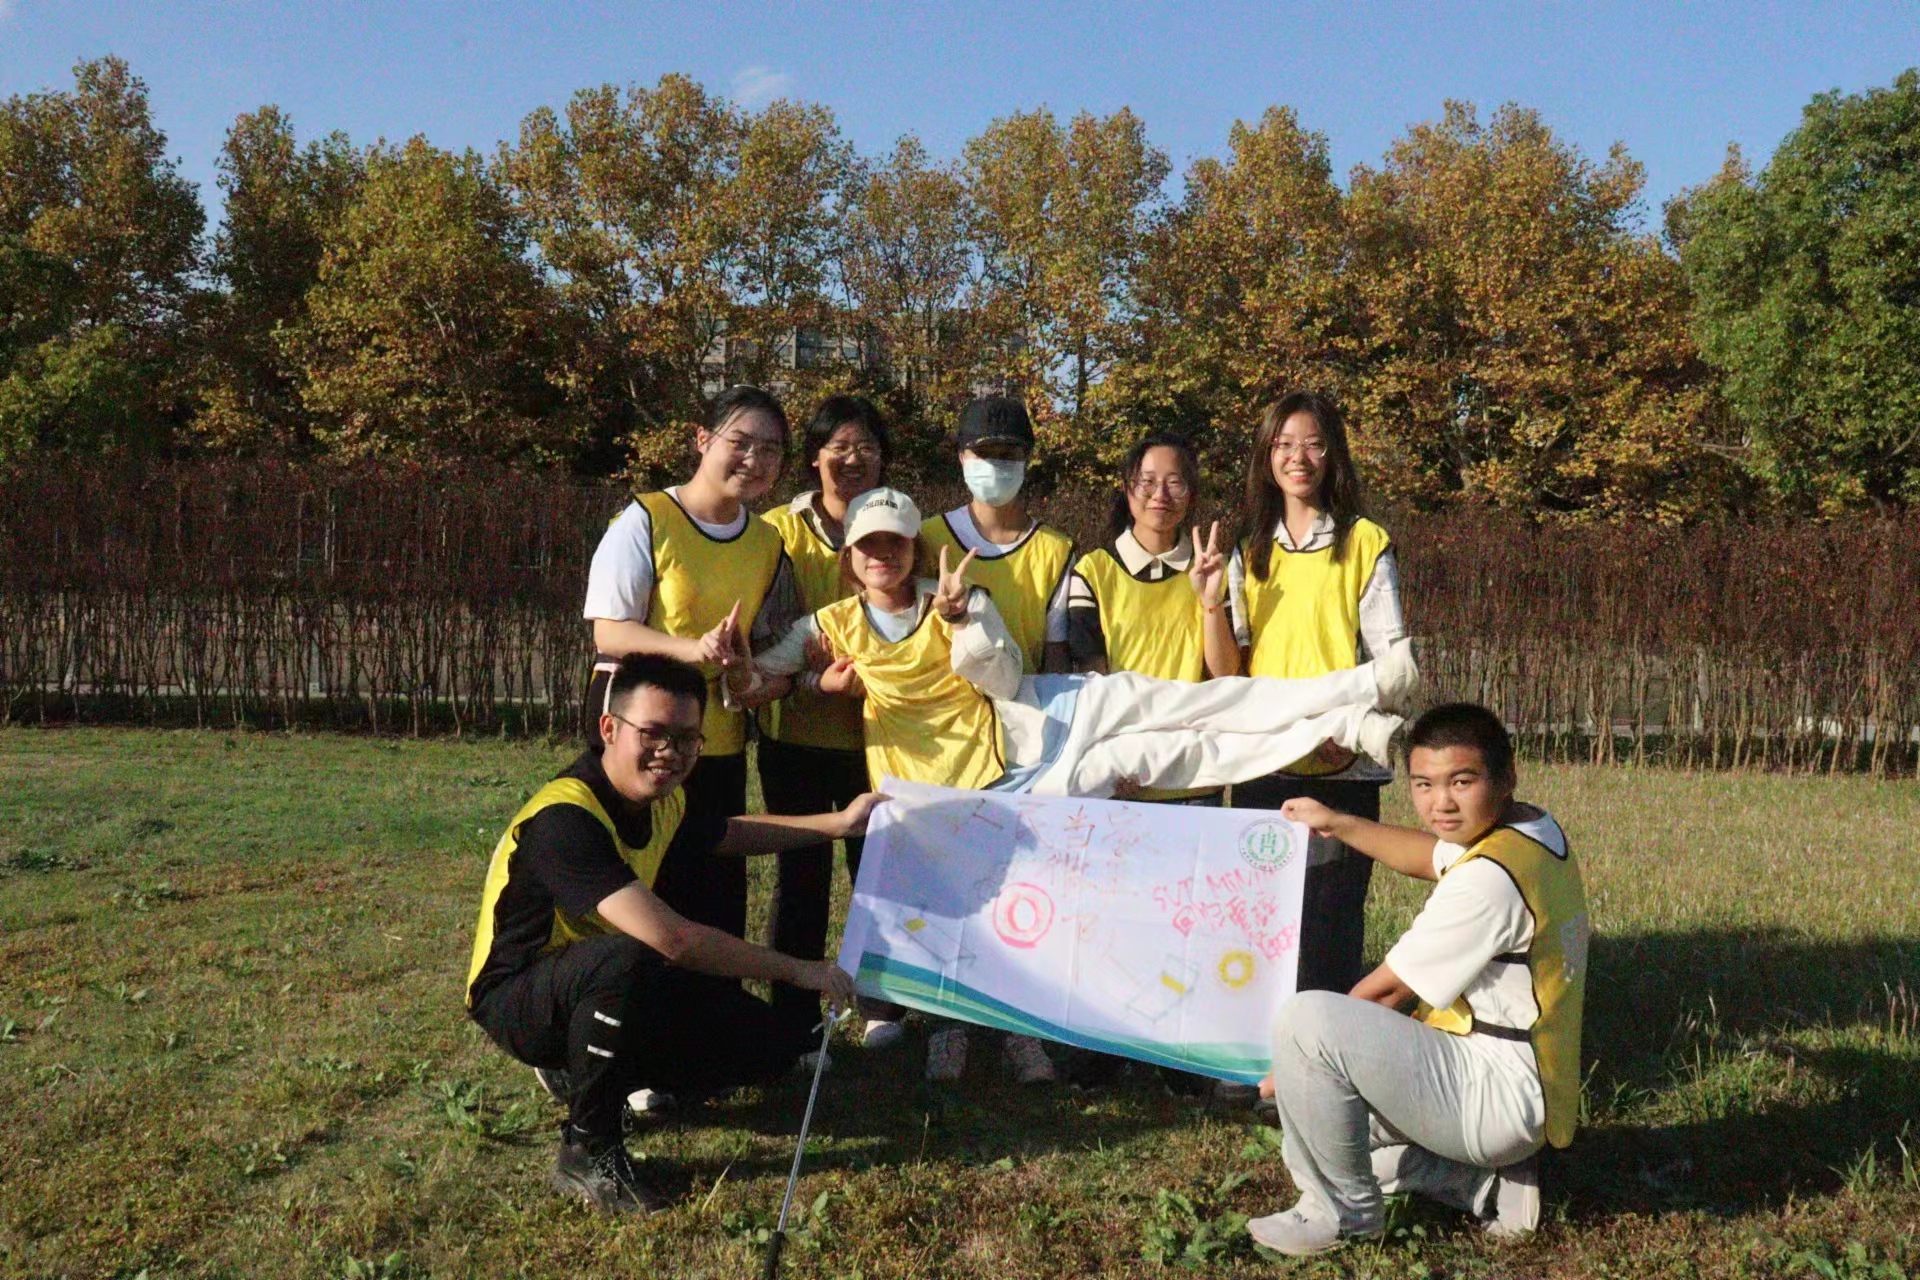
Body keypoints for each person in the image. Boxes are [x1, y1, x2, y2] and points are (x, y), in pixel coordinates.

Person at [736, 488, 1415, 1083]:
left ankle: (1362, 695)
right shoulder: (830, 626)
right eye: (868, 546)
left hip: (1051, 716)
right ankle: (1346, 725)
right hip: (1006, 794)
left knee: (1198, 704)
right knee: (1187, 756)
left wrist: (962, 620)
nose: (882, 556)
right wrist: (810, 681)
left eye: (895, 543)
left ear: (914, 548)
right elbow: (752, 681)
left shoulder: (961, 598)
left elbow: (1002, 678)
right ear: (849, 558)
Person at [464, 653, 878, 1215]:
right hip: (518, 998)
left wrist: (838, 824)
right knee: (628, 958)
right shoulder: (565, 819)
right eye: (653, 733)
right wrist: (801, 970)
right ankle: (588, 1149)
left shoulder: (662, 798)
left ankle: (589, 1068)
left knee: (772, 1047)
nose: (670, 752)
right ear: (609, 728)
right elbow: (675, 941)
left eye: (686, 739)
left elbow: (727, 833)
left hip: (600, 979)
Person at [1247, 703, 1589, 1256]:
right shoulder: (1530, 830)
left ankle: (1341, 1216)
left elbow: (1386, 991)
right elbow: (1432, 855)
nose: (1441, 803)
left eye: (1462, 781)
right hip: (1527, 1086)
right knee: (1315, 1137)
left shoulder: (1486, 883)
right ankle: (1488, 1185)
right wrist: (1336, 822)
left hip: (1495, 1096)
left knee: (1307, 1022)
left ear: (1506, 776)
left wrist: (1292, 1062)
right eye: (1424, 784)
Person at [581, 385, 799, 946]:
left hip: (717, 741)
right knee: (644, 894)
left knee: (715, 892)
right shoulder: (646, 519)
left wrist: (757, 677)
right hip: (643, 737)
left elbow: (765, 644)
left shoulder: (768, 542)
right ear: (702, 440)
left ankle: (713, 1002)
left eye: (770, 450)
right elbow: (609, 631)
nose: (754, 459)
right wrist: (692, 649)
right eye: (740, 442)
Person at [1060, 431, 1243, 1098]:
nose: (1160, 494)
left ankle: (1179, 1059)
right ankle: (1100, 1053)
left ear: (1191, 494)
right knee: (1110, 924)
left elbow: (1227, 675)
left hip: (1190, 774)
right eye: (1147, 480)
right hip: (1119, 775)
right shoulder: (1094, 570)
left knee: (1186, 924)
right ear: (1126, 488)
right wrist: (1120, 765)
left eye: (1175, 481)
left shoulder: (1215, 566)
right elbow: (1090, 676)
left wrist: (1209, 598)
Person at [1226, 391, 1406, 997]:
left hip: (1341, 767)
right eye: (1283, 444)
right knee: (1259, 928)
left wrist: (1350, 737)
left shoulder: (1365, 542)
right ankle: (1259, 1047)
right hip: (1265, 764)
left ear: (1333, 455)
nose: (1297, 458)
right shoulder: (1247, 548)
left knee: (1329, 928)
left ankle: (1325, 1049)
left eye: (1312, 444)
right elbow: (1237, 659)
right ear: (1266, 455)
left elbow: (1391, 661)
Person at [755, 395, 907, 1054]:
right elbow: (765, 639)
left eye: (866, 447)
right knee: (802, 881)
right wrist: (815, 680)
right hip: (796, 736)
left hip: (878, 742)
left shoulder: (897, 523)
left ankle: (883, 1005)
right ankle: (797, 1018)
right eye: (838, 447)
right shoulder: (778, 533)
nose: (853, 459)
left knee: (880, 876)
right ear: (814, 458)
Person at [921, 396, 1074, 676]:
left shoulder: (1056, 550)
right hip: (943, 702)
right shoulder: (928, 537)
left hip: (1023, 699)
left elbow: (1056, 653)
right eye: (983, 452)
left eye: (1008, 454)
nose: (994, 464)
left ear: (1027, 459)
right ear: (961, 457)